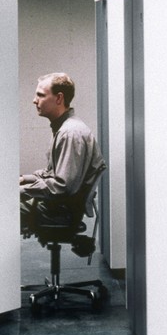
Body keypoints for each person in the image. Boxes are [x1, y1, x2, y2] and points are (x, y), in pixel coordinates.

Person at [20, 72, 106, 231]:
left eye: (40, 95)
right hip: (58, 207)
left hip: (57, 211)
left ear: (59, 98)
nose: (34, 100)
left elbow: (61, 187)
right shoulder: (66, 127)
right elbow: (53, 174)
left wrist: (22, 190)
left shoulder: (69, 133)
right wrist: (25, 179)